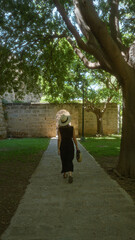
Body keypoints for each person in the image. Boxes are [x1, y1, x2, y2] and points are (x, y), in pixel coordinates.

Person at [58, 114, 79, 183]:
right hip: (70, 145)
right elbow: (74, 138)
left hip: (63, 145)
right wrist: (77, 147)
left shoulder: (60, 129)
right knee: (69, 159)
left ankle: (64, 174)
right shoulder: (71, 128)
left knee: (64, 159)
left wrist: (58, 148)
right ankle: (70, 174)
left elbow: (59, 139)